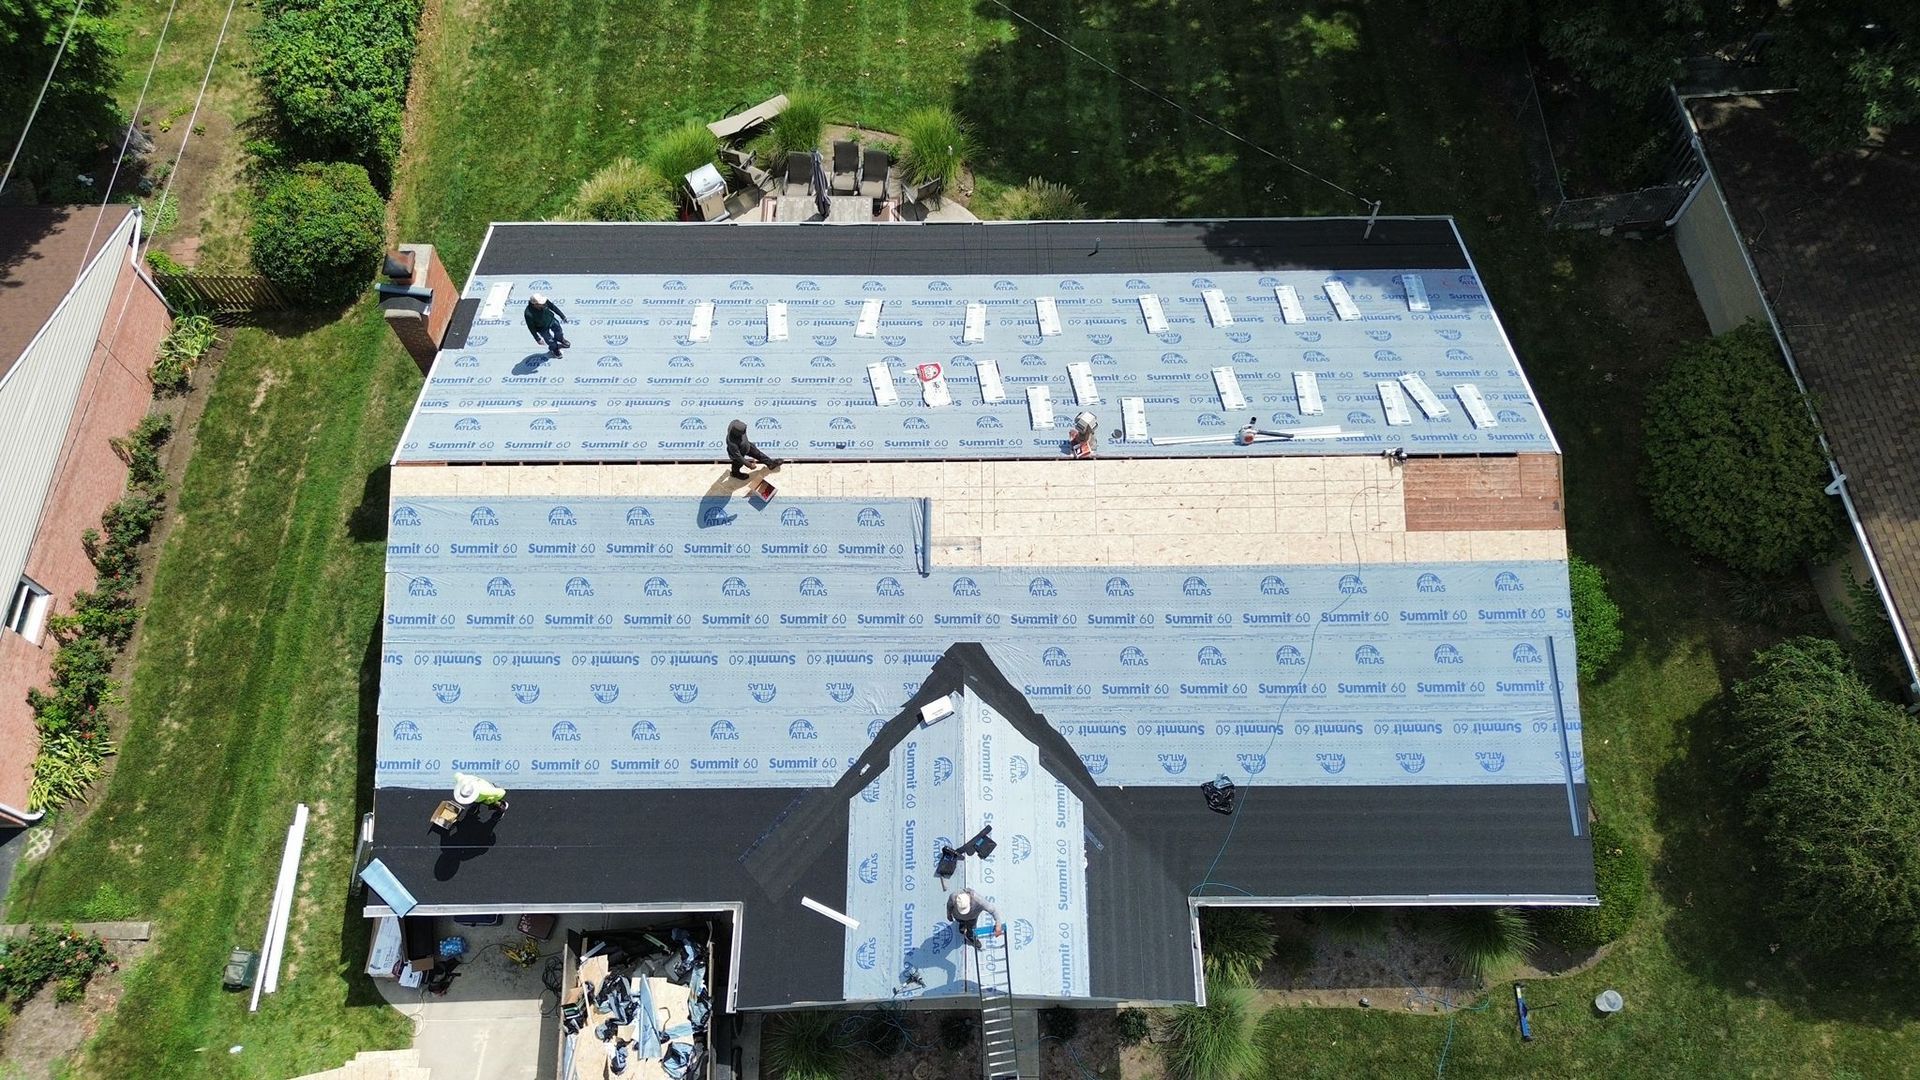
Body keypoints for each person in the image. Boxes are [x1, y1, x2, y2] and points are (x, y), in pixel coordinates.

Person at [524, 292, 571, 357]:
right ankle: (555, 349)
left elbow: (553, 307)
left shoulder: (544, 301)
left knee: (559, 330)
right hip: (541, 328)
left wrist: (562, 316)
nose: (543, 304)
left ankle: (560, 339)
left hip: (551, 320)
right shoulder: (528, 314)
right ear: (535, 304)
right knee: (550, 340)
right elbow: (531, 327)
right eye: (541, 304)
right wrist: (537, 338)